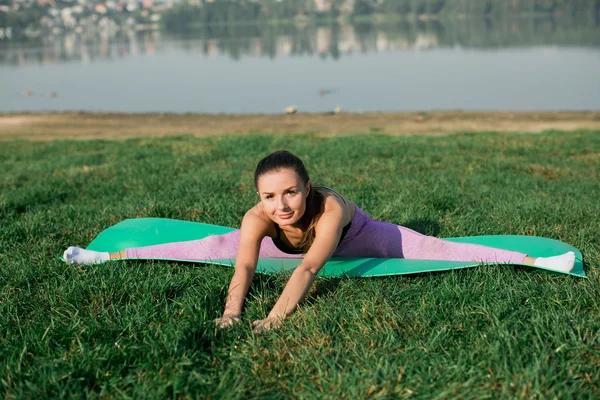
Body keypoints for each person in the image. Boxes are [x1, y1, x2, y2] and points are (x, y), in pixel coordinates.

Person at [63, 150, 575, 333]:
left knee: (438, 248)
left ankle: (540, 259)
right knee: (209, 248)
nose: (281, 204)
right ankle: (104, 255)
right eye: (270, 196)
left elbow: (308, 269)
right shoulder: (257, 217)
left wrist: (274, 319)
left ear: (307, 188)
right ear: (258, 198)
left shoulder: (328, 209)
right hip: (281, 251)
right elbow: (242, 269)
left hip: (362, 240)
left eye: (290, 192)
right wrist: (233, 313)